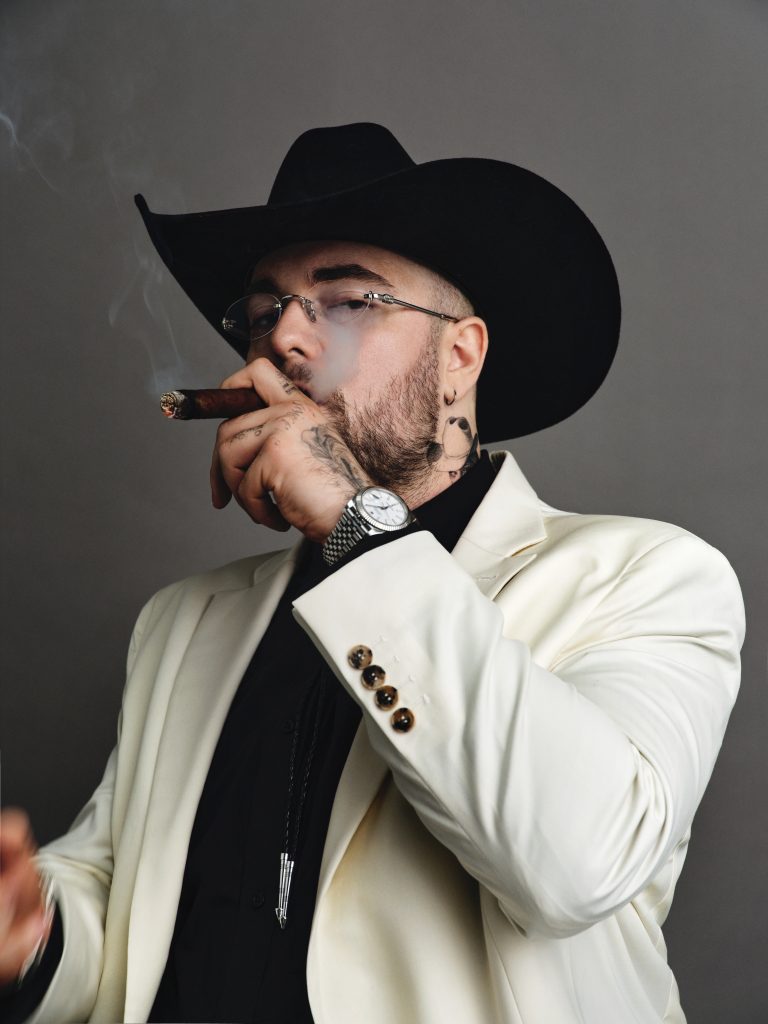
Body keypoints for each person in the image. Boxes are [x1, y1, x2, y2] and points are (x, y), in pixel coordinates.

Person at [0, 123, 744, 1024]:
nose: (285, 340)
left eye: (348, 300)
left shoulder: (647, 577)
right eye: (265, 312)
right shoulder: (183, 621)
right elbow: (122, 911)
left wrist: (356, 523)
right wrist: (33, 935)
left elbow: (579, 864)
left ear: (460, 356)